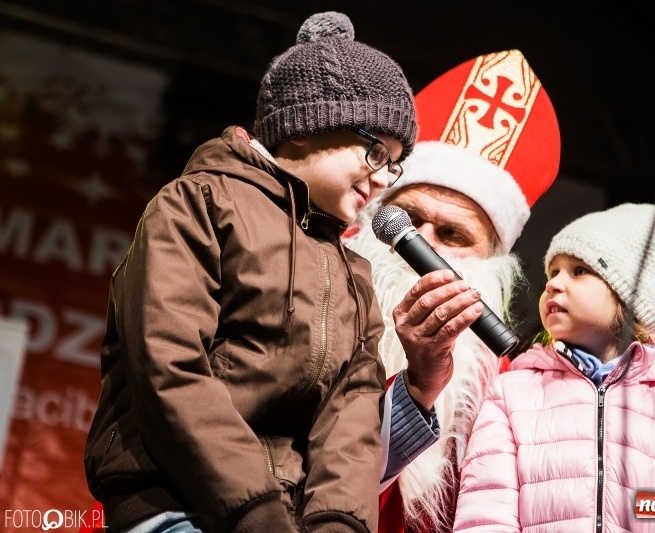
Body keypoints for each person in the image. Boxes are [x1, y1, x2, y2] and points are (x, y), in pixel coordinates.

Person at [82, 12, 485, 533]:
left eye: (396, 162)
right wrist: (259, 514)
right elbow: (170, 368)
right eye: (377, 150)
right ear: (305, 127)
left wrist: (336, 524)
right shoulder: (198, 205)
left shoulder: (351, 272)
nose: (385, 176)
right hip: (180, 503)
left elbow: (350, 419)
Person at [343, 49, 560, 532]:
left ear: (489, 265)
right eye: (409, 220)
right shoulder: (309, 290)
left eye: (454, 236)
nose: (420, 249)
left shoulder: (507, 386)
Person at [453, 203, 655, 532]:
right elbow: (486, 513)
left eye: (579, 271)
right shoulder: (512, 392)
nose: (553, 284)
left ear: (632, 296)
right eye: (553, 272)